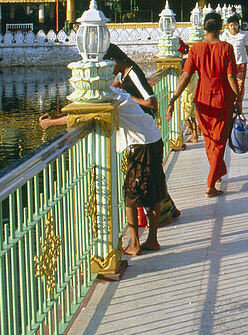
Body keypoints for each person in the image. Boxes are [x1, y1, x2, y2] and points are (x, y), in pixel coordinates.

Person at [39, 85, 168, 256]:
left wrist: (51, 123)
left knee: (131, 194)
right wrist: (57, 115)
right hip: (154, 139)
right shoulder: (111, 92)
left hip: (142, 145)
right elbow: (82, 111)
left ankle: (135, 244)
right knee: (154, 190)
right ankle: (152, 240)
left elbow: (87, 115)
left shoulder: (105, 97)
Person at [104, 43, 181, 225]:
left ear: (114, 61)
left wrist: (127, 97)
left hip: (143, 132)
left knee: (146, 180)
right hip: (145, 133)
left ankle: (163, 216)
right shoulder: (124, 75)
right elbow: (116, 87)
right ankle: (171, 210)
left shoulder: (132, 73)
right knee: (154, 175)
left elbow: (152, 103)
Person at [167, 11, 239, 197]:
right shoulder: (226, 48)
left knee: (209, 139)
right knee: (220, 141)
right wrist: (238, 97)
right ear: (221, 27)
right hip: (222, 98)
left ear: (204, 28)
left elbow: (185, 76)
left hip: (202, 99)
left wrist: (173, 98)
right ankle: (210, 185)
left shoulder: (195, 49)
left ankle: (217, 172)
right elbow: (231, 77)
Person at [221, 13, 248, 109]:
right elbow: (222, 50)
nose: (233, 27)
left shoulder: (243, 34)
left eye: (235, 24)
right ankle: (231, 103)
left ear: (238, 24)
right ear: (228, 26)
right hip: (229, 64)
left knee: (240, 85)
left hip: (241, 63)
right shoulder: (225, 35)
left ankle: (239, 104)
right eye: (231, 25)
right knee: (229, 84)